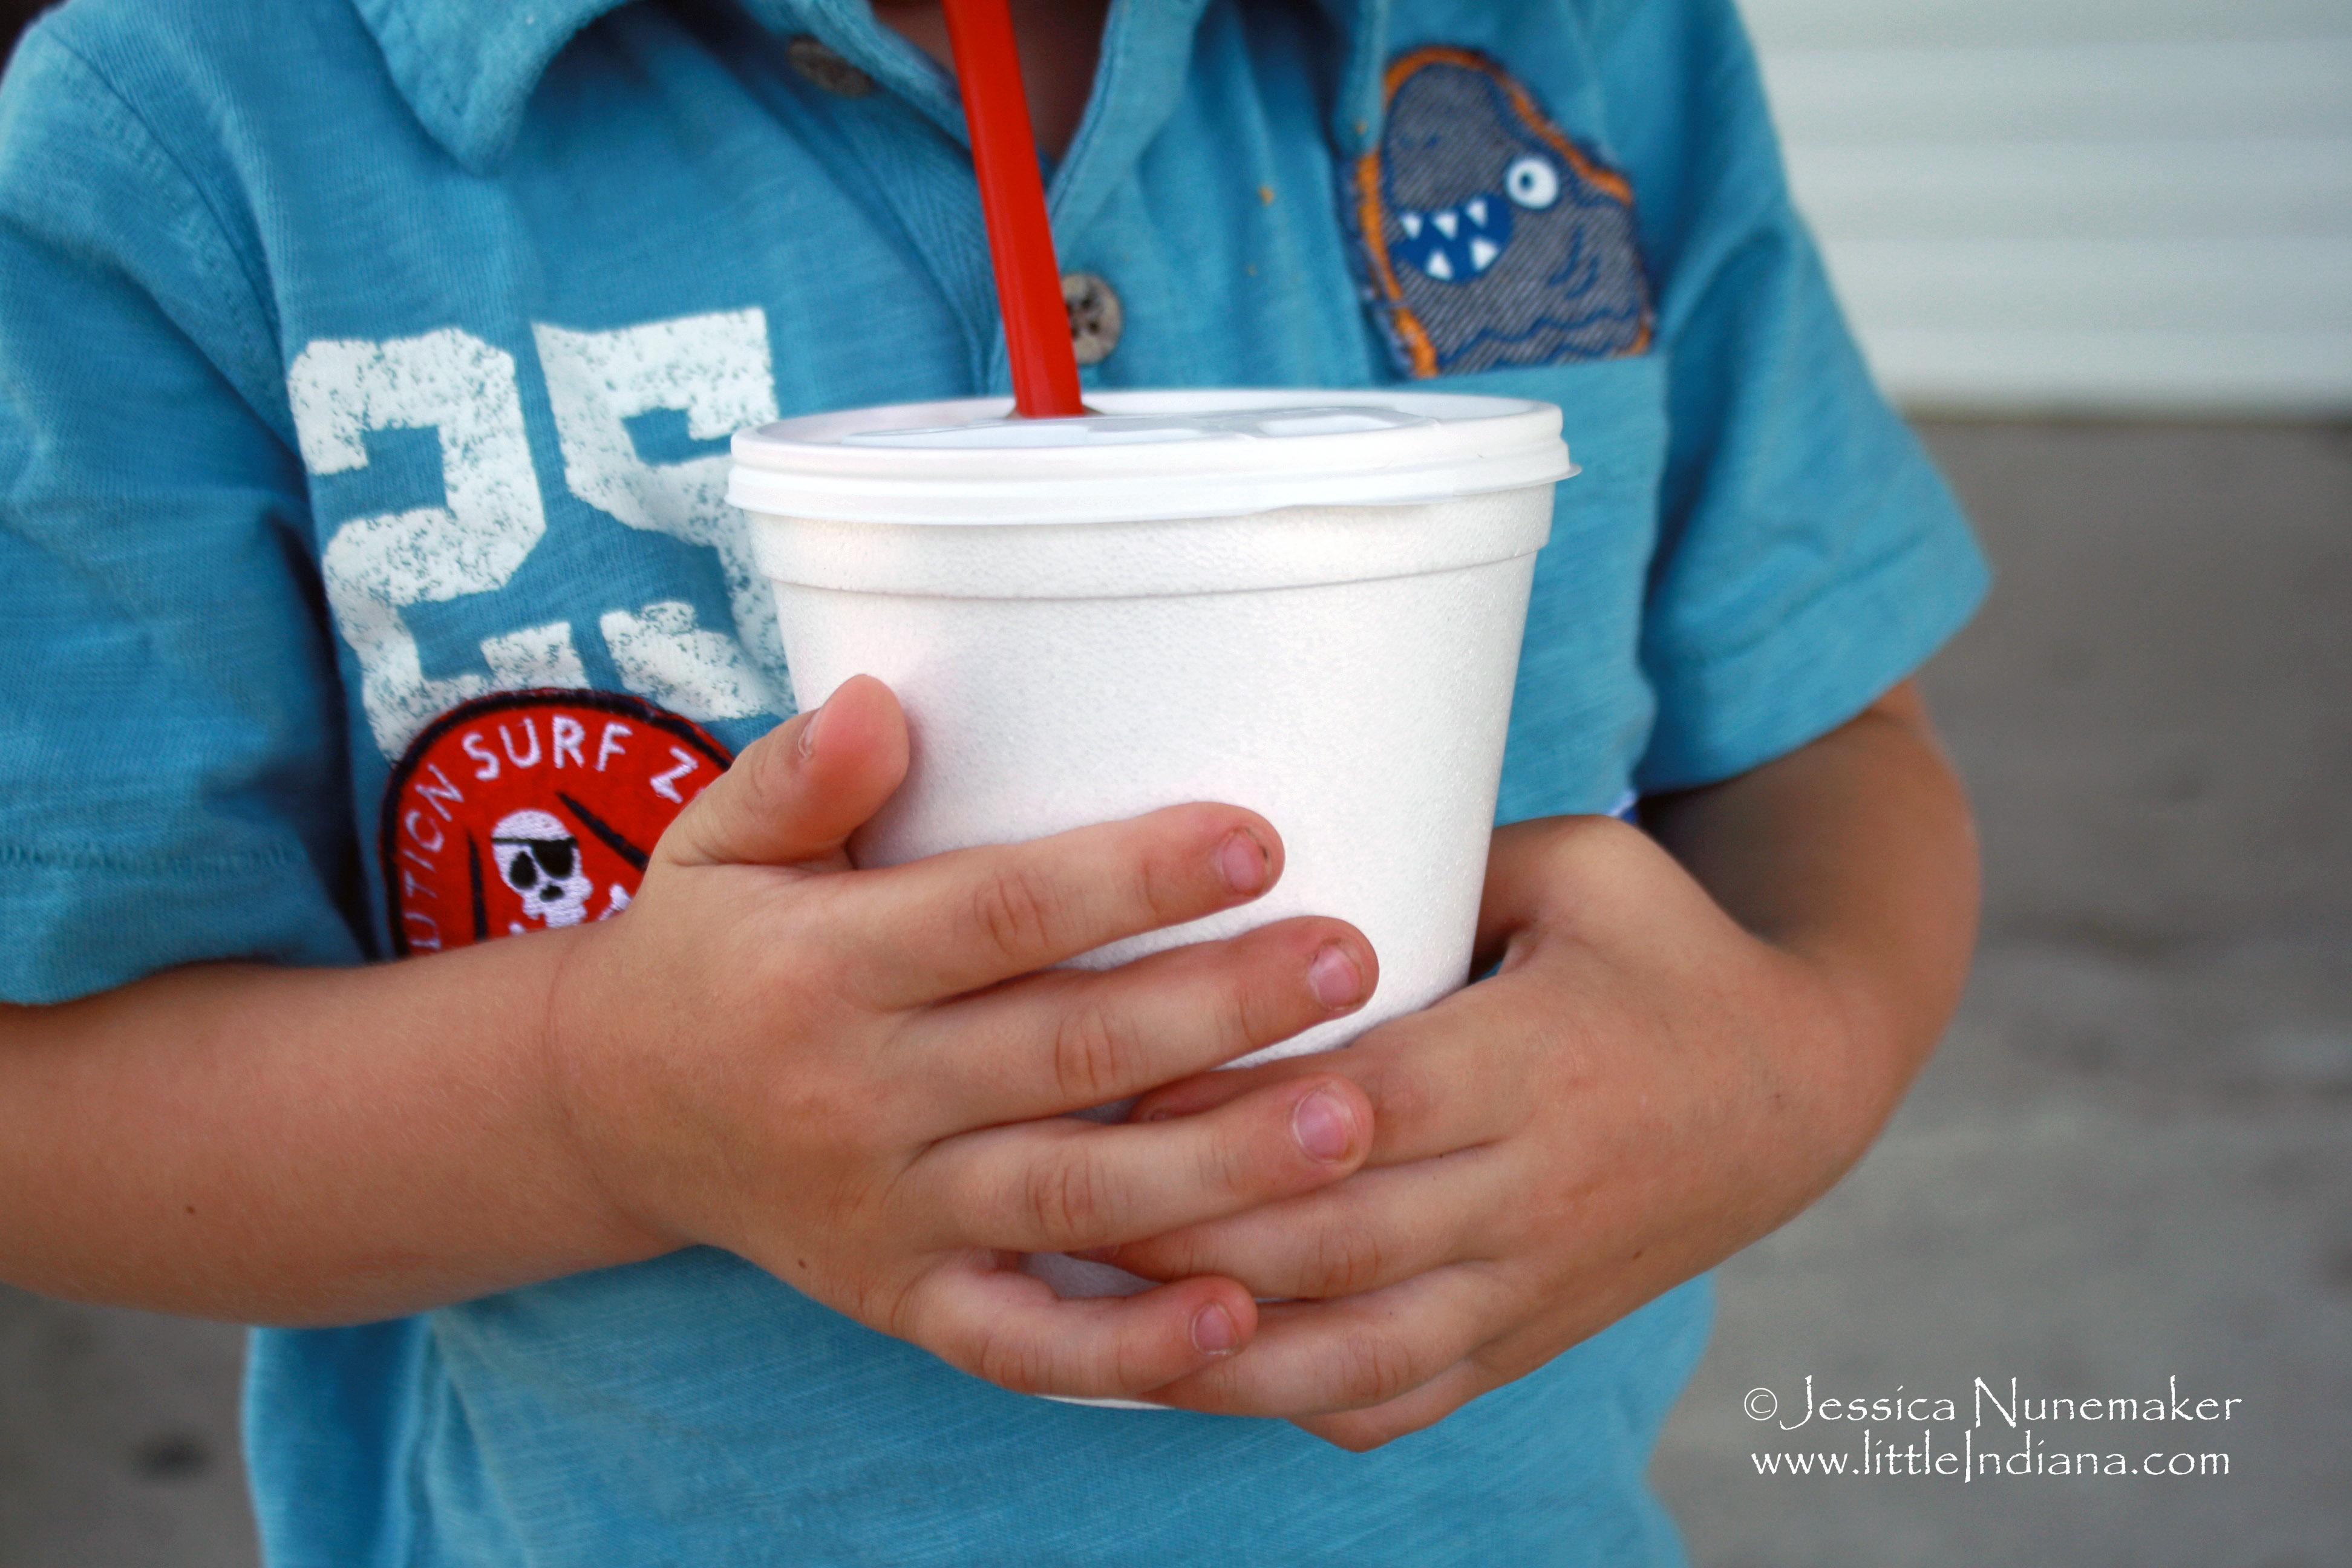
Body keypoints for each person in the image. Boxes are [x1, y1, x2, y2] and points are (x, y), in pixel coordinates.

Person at [0, 0, 1989, 1560]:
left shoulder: (1576, 36)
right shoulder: (195, 128)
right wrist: (601, 1103)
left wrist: (1790, 1063)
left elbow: (1825, 744)